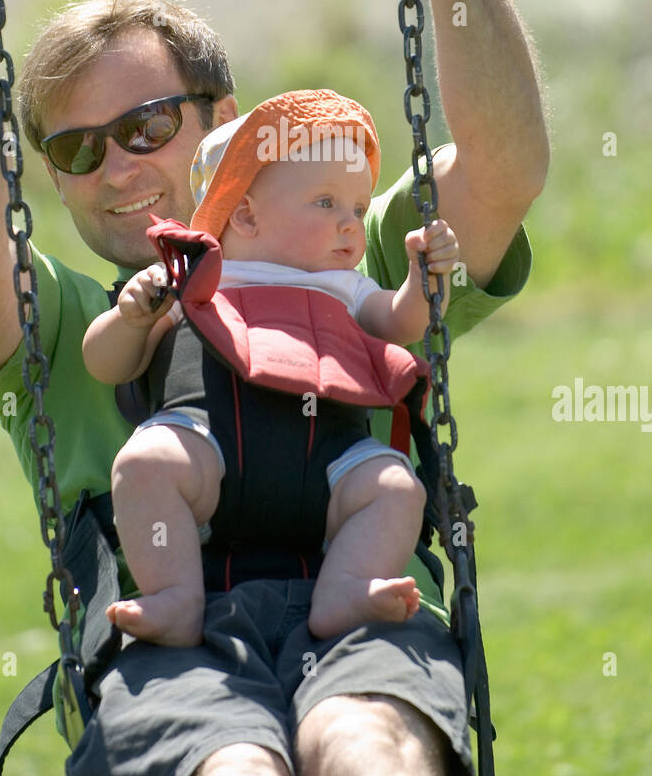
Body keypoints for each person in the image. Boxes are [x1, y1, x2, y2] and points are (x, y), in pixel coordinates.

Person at [0, 0, 549, 776]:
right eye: (76, 151)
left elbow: (501, 171)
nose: (117, 166)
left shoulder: (340, 247)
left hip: (365, 617)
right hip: (168, 651)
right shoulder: (69, 320)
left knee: (367, 757)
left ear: (226, 127)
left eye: (147, 124)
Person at [82, 88, 461, 647]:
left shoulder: (347, 288)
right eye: (326, 204)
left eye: (359, 208)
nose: (351, 226)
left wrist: (425, 282)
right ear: (246, 214)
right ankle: (173, 596)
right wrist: (132, 317)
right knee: (143, 462)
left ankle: (346, 589)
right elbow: (108, 364)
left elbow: (403, 322)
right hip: (207, 454)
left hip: (330, 469)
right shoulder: (194, 280)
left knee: (395, 487)